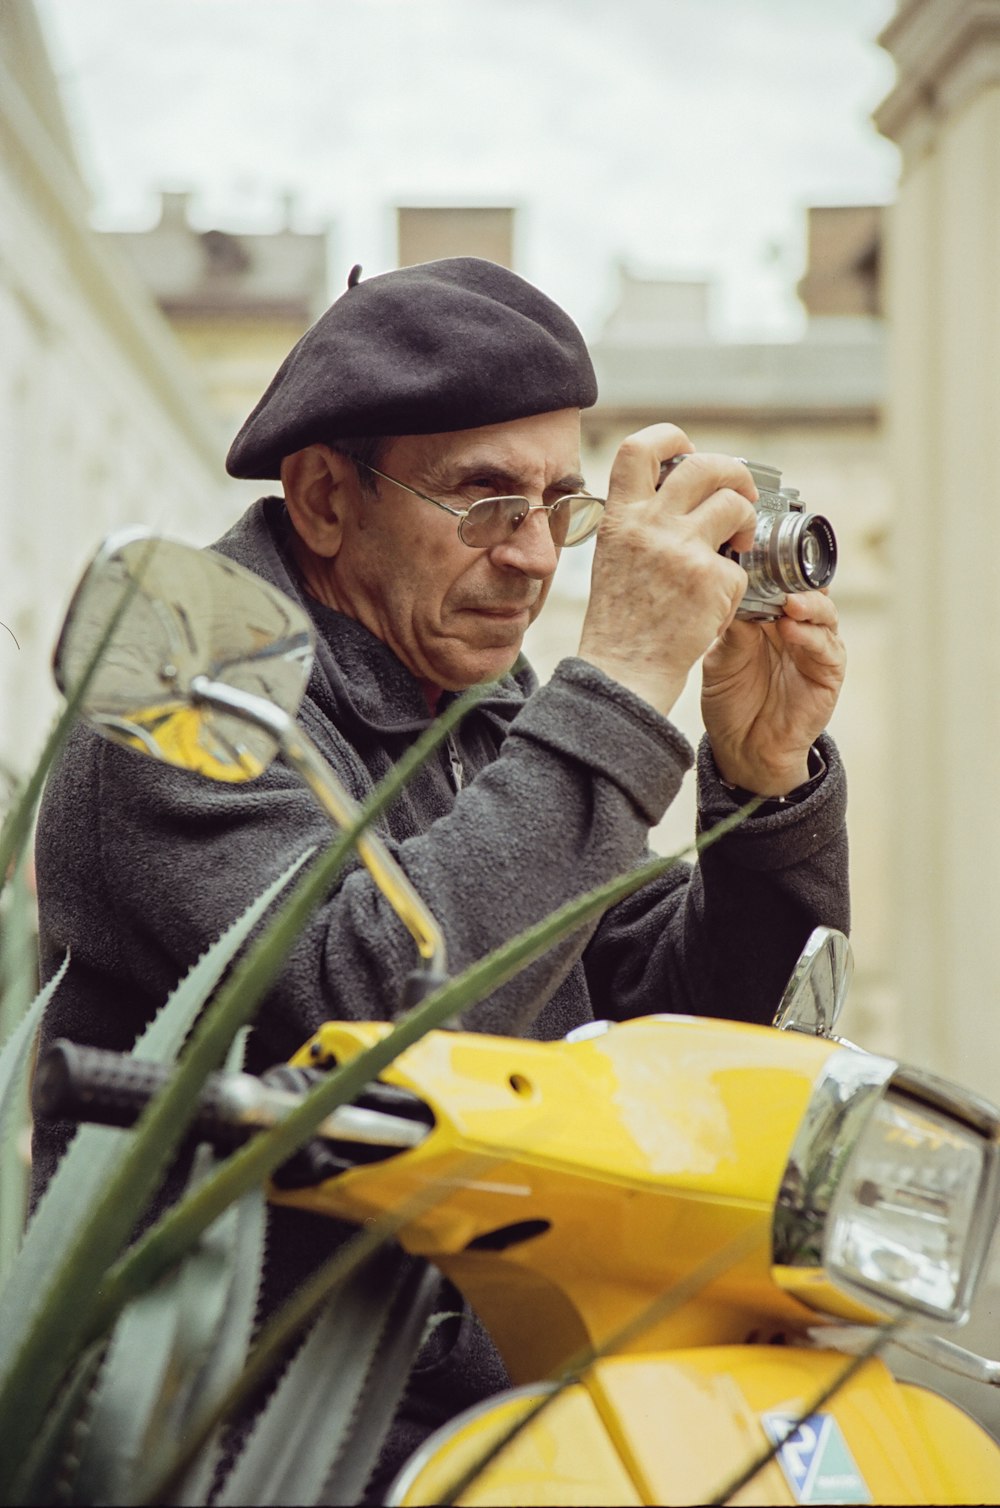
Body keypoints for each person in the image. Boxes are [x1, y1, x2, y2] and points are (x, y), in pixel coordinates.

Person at [31, 256, 848, 1493]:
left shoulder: (473, 696)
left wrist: (764, 784)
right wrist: (621, 680)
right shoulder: (182, 676)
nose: (532, 556)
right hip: (242, 1422)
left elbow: (676, 1029)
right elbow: (372, 1008)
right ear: (320, 499)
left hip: (505, 1402)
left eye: (555, 505)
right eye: (482, 501)